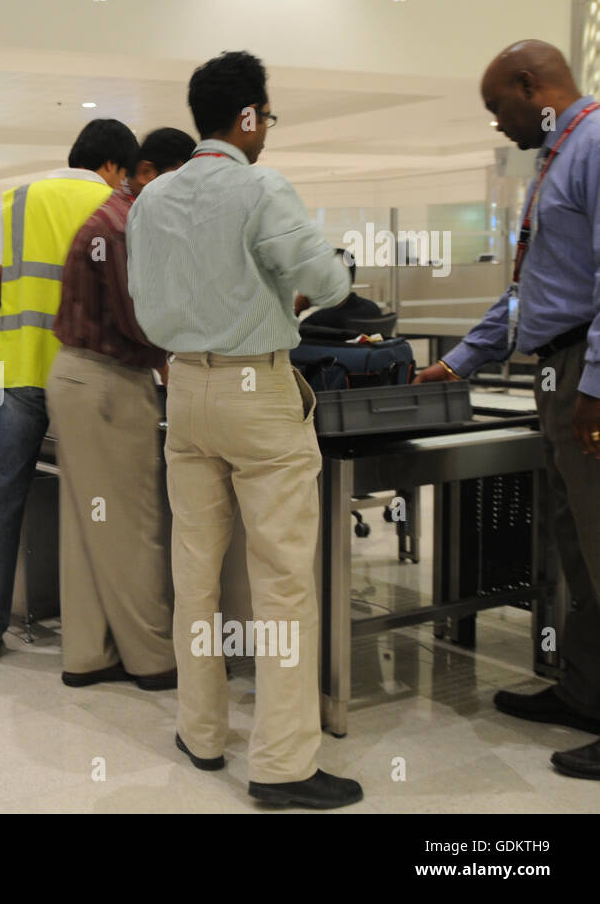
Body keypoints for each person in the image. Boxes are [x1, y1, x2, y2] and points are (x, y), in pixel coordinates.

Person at [127, 51, 361, 809]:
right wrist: (298, 284)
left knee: (195, 570)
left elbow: (144, 304)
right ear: (249, 117)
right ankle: (283, 765)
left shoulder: (151, 199)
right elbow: (327, 282)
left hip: (183, 389)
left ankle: (201, 732)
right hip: (257, 388)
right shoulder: (262, 185)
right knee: (283, 578)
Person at [415, 39, 600, 781]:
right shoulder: (556, 160)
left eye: (499, 106)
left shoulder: (594, 147)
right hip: (555, 370)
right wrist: (462, 357)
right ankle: (586, 693)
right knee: (577, 550)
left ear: (533, 85)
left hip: (584, 372)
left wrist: (595, 387)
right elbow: (530, 294)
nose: (498, 124)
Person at [0, 119, 137, 659]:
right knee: (96, 500)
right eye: (125, 174)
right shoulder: (112, 207)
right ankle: (97, 634)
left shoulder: (18, 200)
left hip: (22, 375)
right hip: (86, 374)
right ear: (111, 164)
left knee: (4, 497)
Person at [46, 127, 195, 689]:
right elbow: (140, 318)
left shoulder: (114, 215)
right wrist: (177, 354)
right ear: (150, 172)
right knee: (132, 524)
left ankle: (89, 652)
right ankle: (153, 658)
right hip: (108, 382)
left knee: (89, 525)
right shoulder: (127, 224)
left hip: (79, 376)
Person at [294, 248, 383, 330]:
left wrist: (297, 310)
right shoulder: (373, 309)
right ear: (353, 279)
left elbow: (287, 342)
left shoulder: (317, 321)